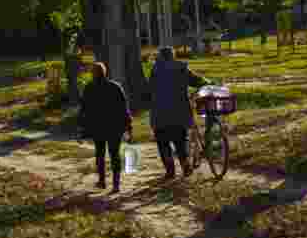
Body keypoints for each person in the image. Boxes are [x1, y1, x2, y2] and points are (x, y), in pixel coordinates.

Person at [148, 47, 210, 179]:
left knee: (163, 143)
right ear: (173, 56)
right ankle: (185, 166)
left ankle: (170, 171)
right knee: (180, 141)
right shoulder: (181, 67)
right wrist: (208, 82)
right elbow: (195, 80)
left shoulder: (155, 69)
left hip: (160, 114)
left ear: (160, 57)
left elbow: (150, 89)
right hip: (179, 112)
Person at [78, 62, 133, 193]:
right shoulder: (115, 87)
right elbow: (124, 108)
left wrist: (81, 128)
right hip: (115, 127)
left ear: (93, 74)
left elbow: (84, 110)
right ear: (105, 72)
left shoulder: (89, 88)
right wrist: (129, 126)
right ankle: (116, 184)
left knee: (100, 154)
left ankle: (102, 181)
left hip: (98, 127)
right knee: (115, 155)